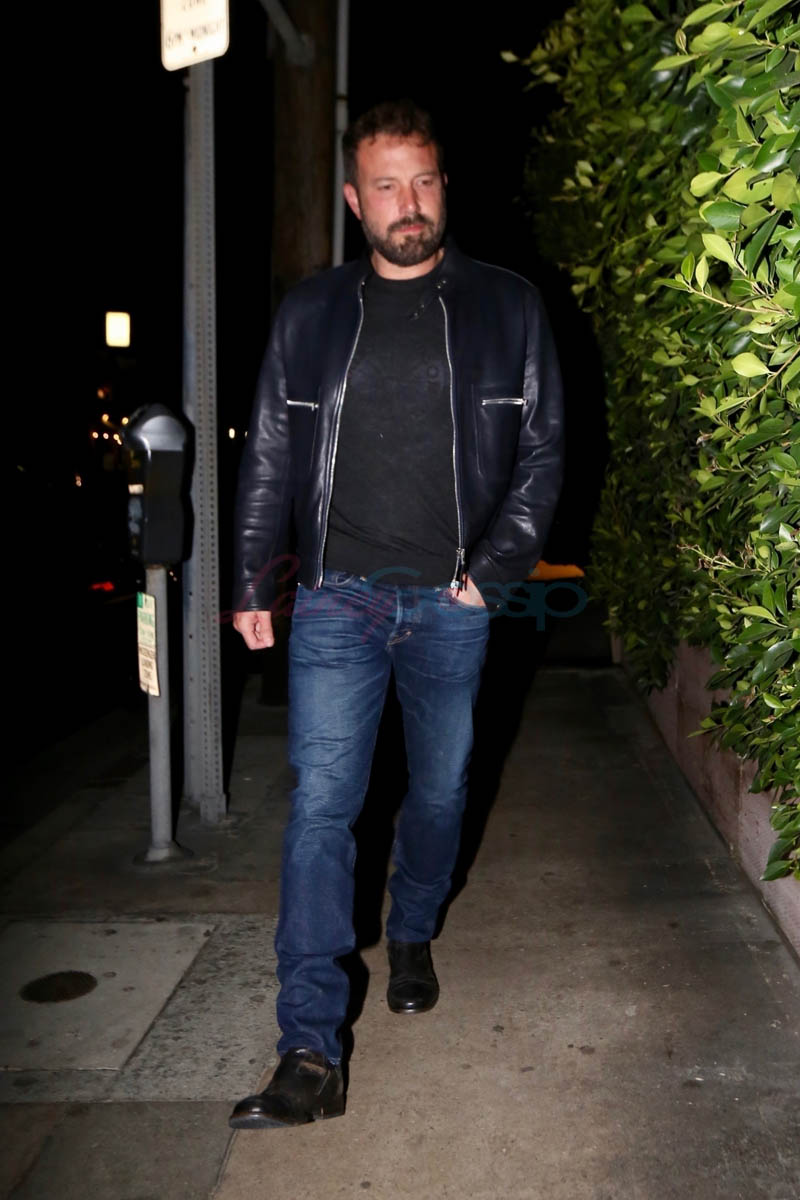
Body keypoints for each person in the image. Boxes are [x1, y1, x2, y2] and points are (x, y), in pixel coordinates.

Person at [228, 100, 564, 1129]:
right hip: (337, 596)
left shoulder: (507, 305)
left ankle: (412, 928)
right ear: (353, 199)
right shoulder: (310, 312)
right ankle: (308, 1049)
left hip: (452, 600)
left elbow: (542, 453)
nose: (406, 203)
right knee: (322, 807)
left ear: (443, 187)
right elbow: (270, 455)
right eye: (385, 186)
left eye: (421, 181)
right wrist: (253, 579)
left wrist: (491, 573)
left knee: (440, 790)